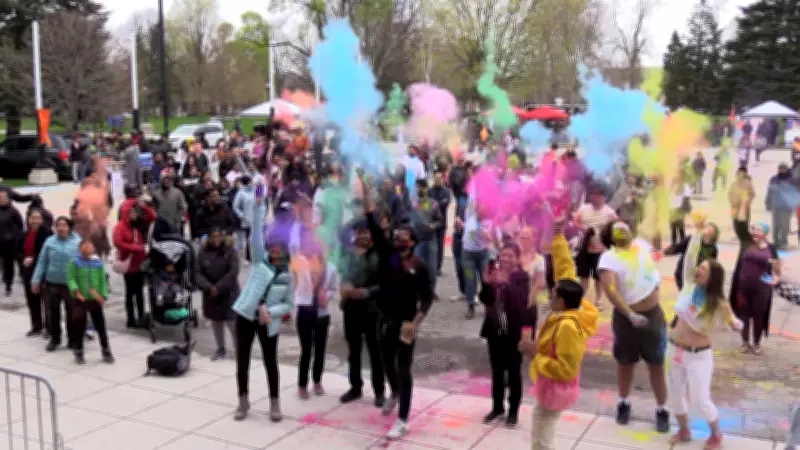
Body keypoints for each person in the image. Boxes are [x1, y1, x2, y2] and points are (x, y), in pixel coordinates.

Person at [360, 170, 432, 440]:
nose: (398, 236)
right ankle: (395, 392)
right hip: (385, 319)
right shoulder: (388, 254)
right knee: (386, 363)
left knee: (404, 369)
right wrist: (366, 191)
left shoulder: (419, 266)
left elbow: (427, 298)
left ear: (412, 242)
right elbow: (371, 219)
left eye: (404, 234)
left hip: (405, 324)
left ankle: (403, 419)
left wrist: (415, 324)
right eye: (397, 233)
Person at [519, 217, 598, 450]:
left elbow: (566, 369)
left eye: (553, 295)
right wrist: (558, 235)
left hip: (555, 389)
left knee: (543, 437)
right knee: (541, 429)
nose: (550, 295)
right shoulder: (572, 306)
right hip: (549, 384)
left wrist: (535, 354)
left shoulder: (568, 327)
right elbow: (565, 269)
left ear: (562, 301)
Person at [666, 226, 743, 450]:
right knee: (675, 395)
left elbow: (734, 322)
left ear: (712, 278)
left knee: (701, 400)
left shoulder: (718, 304)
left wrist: (735, 324)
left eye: (703, 268)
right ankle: (684, 430)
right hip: (675, 350)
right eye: (699, 266)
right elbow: (690, 255)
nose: (698, 269)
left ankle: (716, 435)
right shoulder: (689, 284)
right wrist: (698, 233)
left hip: (698, 356)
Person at [598, 220, 670, 433]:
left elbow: (656, 250)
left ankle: (662, 409)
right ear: (611, 237)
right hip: (627, 319)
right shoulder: (609, 257)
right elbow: (610, 289)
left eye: (625, 227)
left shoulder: (641, 245)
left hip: (653, 315)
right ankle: (623, 402)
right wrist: (630, 314)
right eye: (618, 229)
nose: (624, 230)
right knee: (625, 363)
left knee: (656, 364)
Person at [231, 197, 292, 422]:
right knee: (243, 360)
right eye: (272, 249)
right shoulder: (259, 261)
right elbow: (255, 234)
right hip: (245, 316)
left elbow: (288, 303)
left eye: (279, 250)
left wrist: (271, 312)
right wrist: (259, 206)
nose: (275, 253)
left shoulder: (287, 276)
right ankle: (243, 401)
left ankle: (274, 403)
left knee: (270, 361)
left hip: (268, 321)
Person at [479, 243, 535, 428]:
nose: (506, 259)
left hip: (514, 331)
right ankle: (497, 407)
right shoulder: (495, 272)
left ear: (517, 259)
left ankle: (513, 411)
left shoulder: (522, 277)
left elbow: (521, 302)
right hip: (495, 329)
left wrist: (505, 284)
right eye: (503, 255)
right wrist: (486, 284)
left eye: (510, 256)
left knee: (513, 372)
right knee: (496, 371)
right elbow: (486, 300)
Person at [339, 219, 385, 406]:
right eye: (359, 232)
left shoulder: (380, 253)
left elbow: (387, 283)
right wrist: (344, 286)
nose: (363, 236)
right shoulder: (348, 253)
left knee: (375, 352)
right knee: (353, 350)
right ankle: (355, 387)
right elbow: (343, 274)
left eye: (366, 232)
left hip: (372, 309)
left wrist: (367, 292)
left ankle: (379, 391)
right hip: (351, 308)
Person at [292, 245, 339, 398]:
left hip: (322, 314)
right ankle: (302, 385)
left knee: (320, 350)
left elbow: (333, 288)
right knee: (306, 350)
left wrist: (327, 295)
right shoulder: (302, 263)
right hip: (305, 311)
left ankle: (317, 381)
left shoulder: (331, 268)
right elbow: (294, 249)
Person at [31, 216, 82, 352]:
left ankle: (73, 339)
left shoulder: (78, 242)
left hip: (71, 285)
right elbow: (42, 262)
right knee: (52, 313)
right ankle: (55, 339)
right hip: (52, 283)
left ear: (69, 227)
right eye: (58, 225)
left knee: (72, 313)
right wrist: (36, 281)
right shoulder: (49, 241)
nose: (61, 228)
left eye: (64, 225)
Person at [729, 223, 779, 355]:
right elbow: (739, 225)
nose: (755, 232)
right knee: (743, 315)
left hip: (761, 289)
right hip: (743, 288)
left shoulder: (771, 248)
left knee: (759, 316)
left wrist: (776, 278)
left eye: (759, 230)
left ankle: (757, 343)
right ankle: (745, 342)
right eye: (754, 229)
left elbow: (777, 268)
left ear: (765, 233)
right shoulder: (746, 244)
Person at [67, 239, 114, 365]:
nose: (88, 247)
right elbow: (71, 278)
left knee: (100, 325)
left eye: (90, 245)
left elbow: (103, 280)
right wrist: (76, 291)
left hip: (95, 299)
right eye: (85, 245)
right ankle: (79, 351)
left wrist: (103, 295)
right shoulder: (74, 262)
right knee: (79, 326)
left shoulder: (97, 262)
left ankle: (106, 349)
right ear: (80, 248)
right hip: (80, 299)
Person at [197, 228, 240, 361]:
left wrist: (219, 287)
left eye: (218, 237)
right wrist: (209, 287)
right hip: (211, 294)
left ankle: (240, 348)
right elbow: (197, 273)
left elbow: (233, 271)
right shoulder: (203, 252)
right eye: (213, 237)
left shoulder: (230, 251)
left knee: (232, 322)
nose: (216, 240)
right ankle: (221, 348)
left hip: (228, 293)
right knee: (216, 322)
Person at [574, 185, 617, 310]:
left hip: (601, 250)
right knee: (584, 276)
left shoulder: (609, 212)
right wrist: (583, 228)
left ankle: (598, 301)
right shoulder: (584, 209)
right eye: (594, 196)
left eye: (599, 196)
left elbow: (616, 225)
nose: (596, 199)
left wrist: (609, 240)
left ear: (603, 198)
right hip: (585, 248)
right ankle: (581, 301)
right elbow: (576, 221)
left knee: (598, 278)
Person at [16, 210, 52, 336]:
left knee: (47, 301)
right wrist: (23, 259)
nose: (34, 221)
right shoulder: (24, 234)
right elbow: (17, 251)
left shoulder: (48, 234)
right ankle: (36, 326)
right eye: (32, 218)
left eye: (37, 218)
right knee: (32, 299)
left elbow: (48, 253)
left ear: (42, 220)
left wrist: (33, 259)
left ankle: (49, 328)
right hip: (27, 270)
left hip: (43, 272)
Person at [112, 206, 149, 328]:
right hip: (128, 264)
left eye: (135, 213)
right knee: (130, 292)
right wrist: (135, 247)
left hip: (140, 263)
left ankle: (141, 317)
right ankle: (131, 319)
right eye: (132, 213)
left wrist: (143, 205)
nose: (134, 215)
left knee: (139, 292)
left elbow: (152, 216)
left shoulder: (138, 225)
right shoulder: (120, 227)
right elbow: (117, 242)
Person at [663, 220, 720, 290]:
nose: (707, 229)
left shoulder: (713, 249)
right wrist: (663, 252)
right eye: (706, 227)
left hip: (698, 276)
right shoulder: (691, 239)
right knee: (686, 291)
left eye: (710, 228)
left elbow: (711, 265)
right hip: (683, 273)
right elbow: (677, 247)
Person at [411, 179, 442, 291]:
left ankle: (431, 291)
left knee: (432, 268)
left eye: (421, 187)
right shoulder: (413, 203)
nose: (419, 189)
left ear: (426, 188)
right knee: (417, 267)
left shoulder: (433, 203)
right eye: (417, 187)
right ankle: (419, 291)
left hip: (430, 240)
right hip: (417, 240)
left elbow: (440, 220)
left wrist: (433, 226)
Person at [462, 202, 492, 319]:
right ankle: (470, 305)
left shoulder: (490, 223)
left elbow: (495, 239)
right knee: (470, 279)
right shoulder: (470, 216)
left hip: (483, 254)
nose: (481, 213)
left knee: (485, 281)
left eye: (484, 211)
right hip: (468, 254)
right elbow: (471, 199)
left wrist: (488, 236)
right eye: (480, 210)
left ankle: (487, 305)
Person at [765, 163, 800, 249]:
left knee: (784, 225)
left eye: (783, 169)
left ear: (787, 170)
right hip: (776, 206)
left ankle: (784, 242)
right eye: (780, 169)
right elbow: (769, 192)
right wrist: (767, 202)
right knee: (776, 225)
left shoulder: (792, 181)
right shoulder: (774, 179)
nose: (782, 171)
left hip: (786, 207)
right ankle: (776, 242)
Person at [0, 191, 24, 295]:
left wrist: (14, 237)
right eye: (0, 198)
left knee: (8, 264)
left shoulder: (13, 211)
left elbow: (20, 225)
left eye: (3, 198)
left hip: (9, 242)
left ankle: (8, 285)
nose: (1, 200)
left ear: (8, 199)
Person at [429, 170, 451, 275]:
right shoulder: (430, 191)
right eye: (436, 178)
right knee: (433, 246)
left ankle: (438, 267)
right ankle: (431, 266)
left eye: (439, 178)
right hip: (431, 223)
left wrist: (434, 204)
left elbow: (446, 203)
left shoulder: (446, 191)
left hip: (442, 222)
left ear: (442, 179)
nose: (438, 180)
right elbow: (426, 204)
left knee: (440, 246)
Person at [728, 167, 755, 243]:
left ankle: (744, 236)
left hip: (744, 206)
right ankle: (738, 235)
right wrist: (732, 201)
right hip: (735, 207)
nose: (740, 175)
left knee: (744, 222)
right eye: (739, 173)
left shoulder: (748, 184)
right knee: (735, 222)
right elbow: (730, 194)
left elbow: (752, 194)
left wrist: (747, 201)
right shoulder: (734, 184)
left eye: (742, 173)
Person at [233, 176, 255, 261]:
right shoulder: (240, 193)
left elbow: (263, 201)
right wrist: (242, 216)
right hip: (247, 221)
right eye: (250, 181)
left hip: (258, 219)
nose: (251, 183)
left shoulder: (257, 190)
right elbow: (235, 206)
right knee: (249, 239)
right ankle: (248, 257)